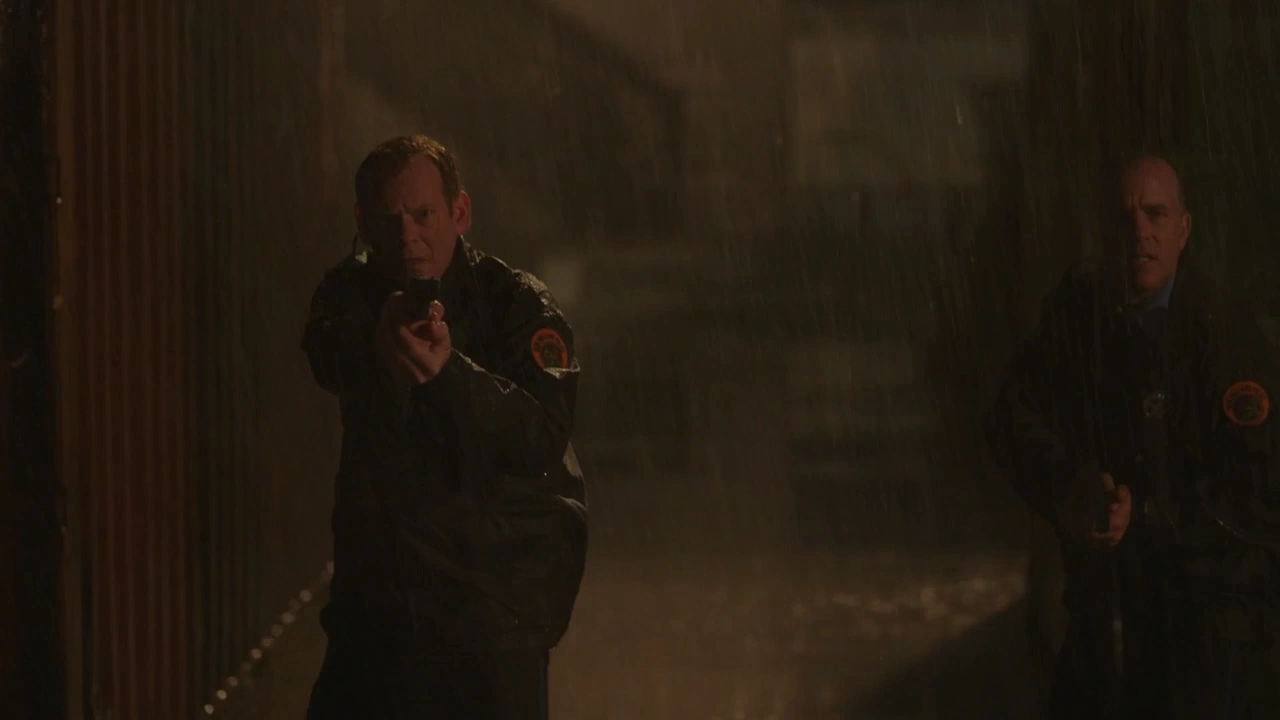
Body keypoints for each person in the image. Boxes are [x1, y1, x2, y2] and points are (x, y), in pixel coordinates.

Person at [301, 134, 589, 719]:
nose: (408, 235)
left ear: (459, 213)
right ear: (363, 223)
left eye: (424, 215)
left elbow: (541, 433)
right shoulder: (350, 293)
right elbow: (326, 350)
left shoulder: (514, 303)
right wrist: (379, 344)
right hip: (381, 618)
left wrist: (449, 375)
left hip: (490, 617)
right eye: (390, 220)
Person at [987, 152, 1280, 719]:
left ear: (1183, 230)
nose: (1139, 232)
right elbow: (1009, 418)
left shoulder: (1223, 334)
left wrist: (1148, 514)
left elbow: (1257, 483)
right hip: (1104, 614)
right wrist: (1068, 487)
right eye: (1125, 218)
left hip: (1203, 625)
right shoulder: (1078, 320)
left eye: (1155, 214)